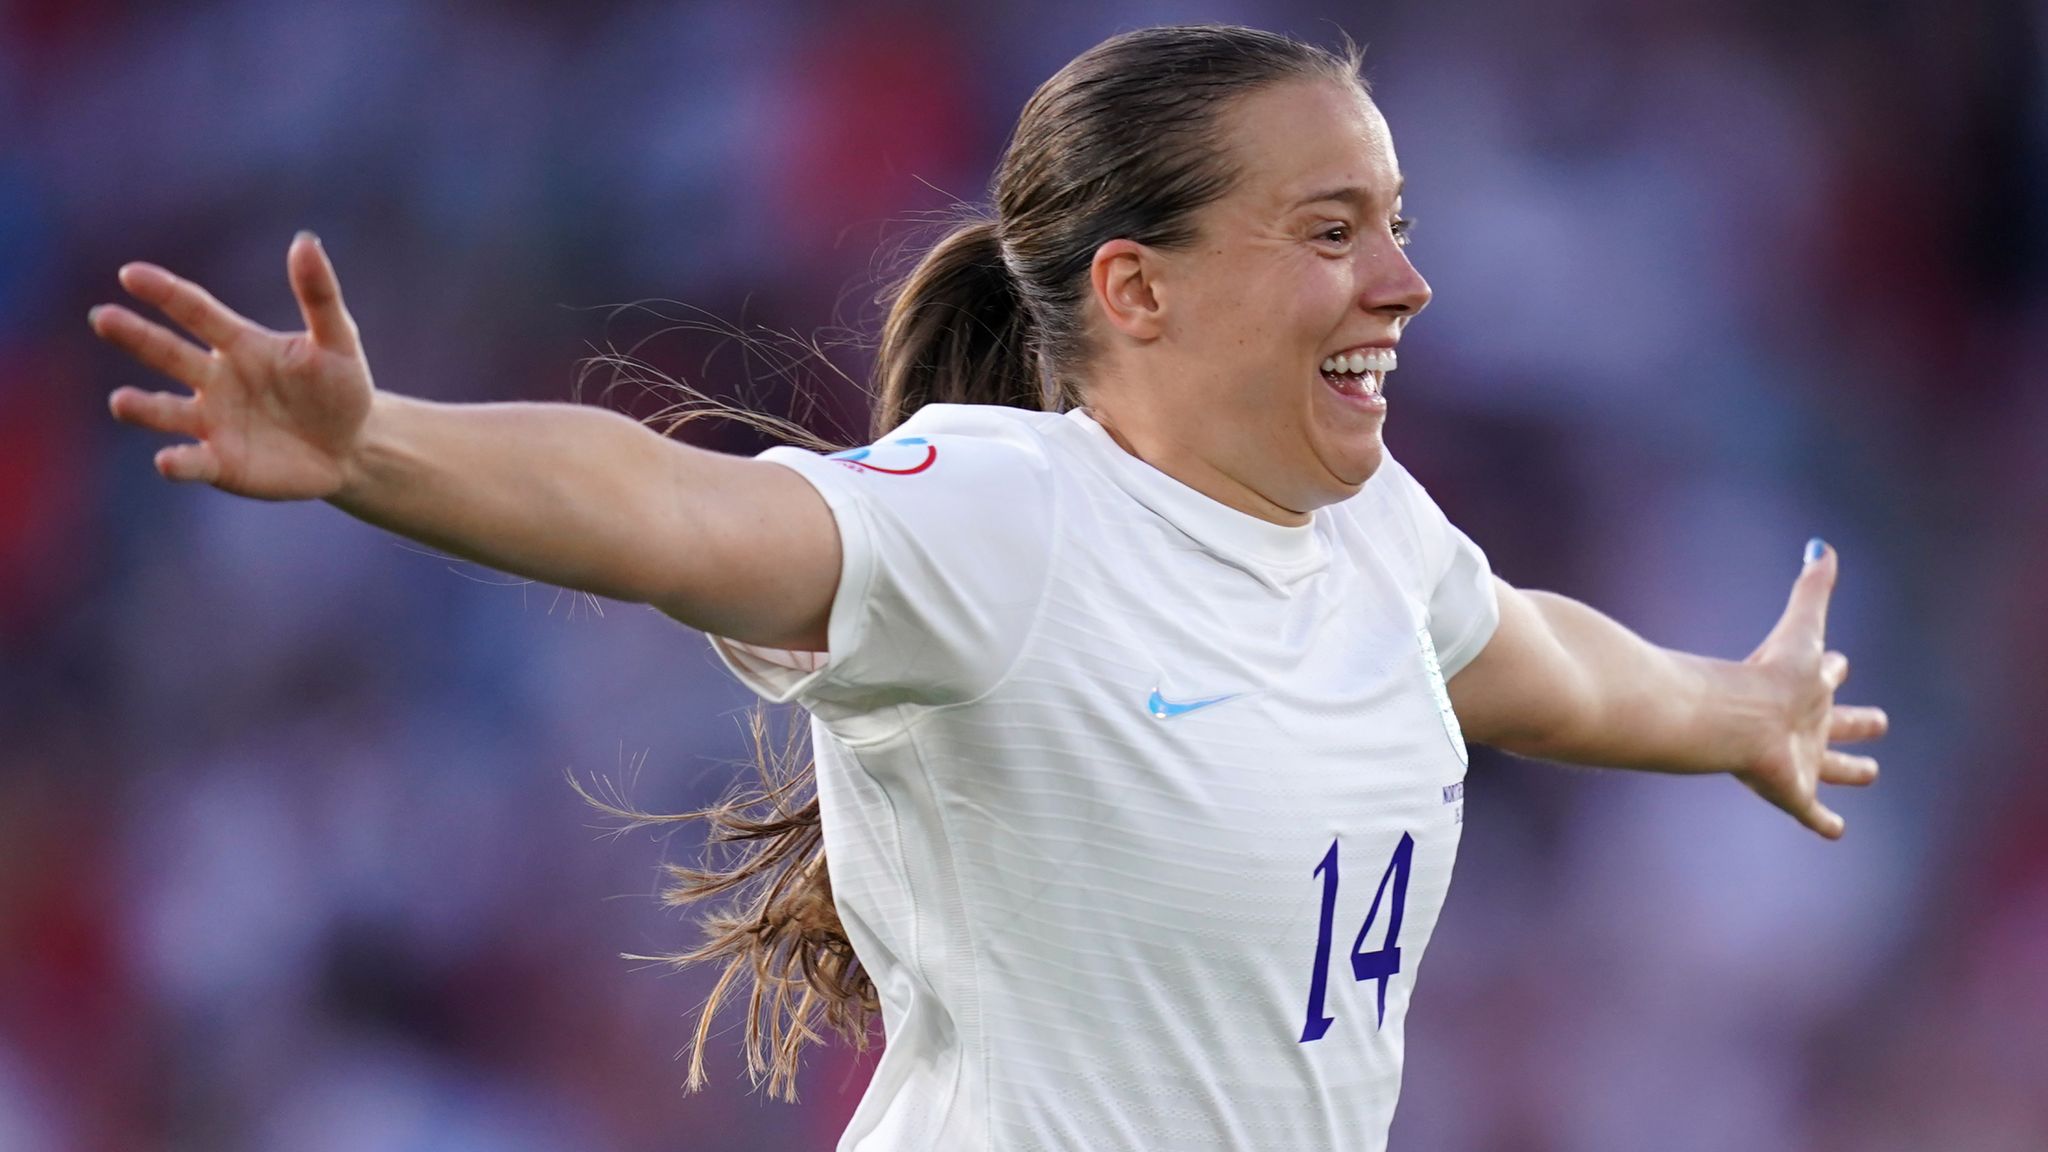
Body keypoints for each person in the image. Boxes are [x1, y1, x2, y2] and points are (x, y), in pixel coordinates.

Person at [87, 24, 1886, 1152]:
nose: (1408, 280)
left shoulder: (1371, 541)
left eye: (1397, 219)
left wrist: (1737, 712)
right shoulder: (1008, 525)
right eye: (1333, 230)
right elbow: (663, 507)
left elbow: (1534, 664)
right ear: (1138, 290)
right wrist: (372, 445)